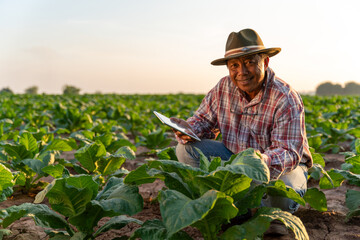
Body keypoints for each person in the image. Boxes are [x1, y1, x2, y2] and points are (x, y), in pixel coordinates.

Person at [171, 28, 313, 232]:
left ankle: (262, 214)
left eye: (249, 63)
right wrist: (188, 128)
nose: (242, 72)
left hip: (276, 167)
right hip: (235, 160)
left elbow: (289, 152)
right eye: (234, 65)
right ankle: (227, 208)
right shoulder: (223, 88)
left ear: (265, 62)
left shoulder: (285, 97)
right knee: (185, 149)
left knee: (282, 199)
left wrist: (260, 162)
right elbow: (203, 120)